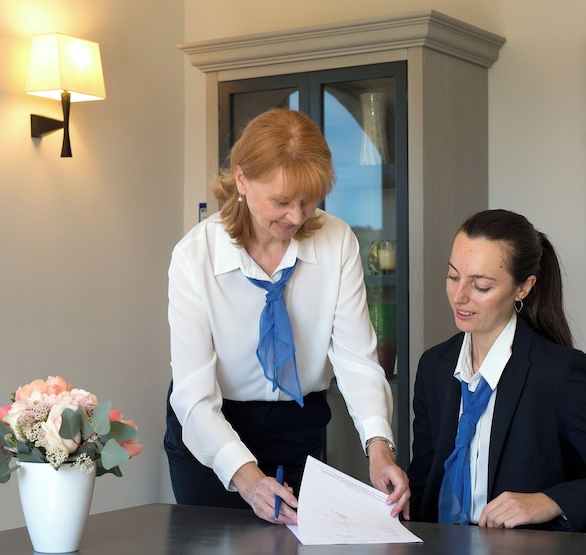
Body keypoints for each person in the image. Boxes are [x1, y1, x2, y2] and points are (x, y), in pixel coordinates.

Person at [165, 108, 410, 525]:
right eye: (280, 202)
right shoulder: (195, 257)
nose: (296, 217)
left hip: (297, 425)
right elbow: (194, 397)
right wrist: (247, 478)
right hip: (213, 428)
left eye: (308, 201)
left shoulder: (337, 241)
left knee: (293, 554)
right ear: (241, 180)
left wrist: (379, 447)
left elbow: (356, 360)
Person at [407, 209, 586, 530]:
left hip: (518, 554)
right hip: (437, 549)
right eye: (453, 276)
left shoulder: (557, 373)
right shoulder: (435, 366)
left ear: (524, 288)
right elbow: (423, 484)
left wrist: (549, 501)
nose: (459, 297)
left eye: (481, 286)